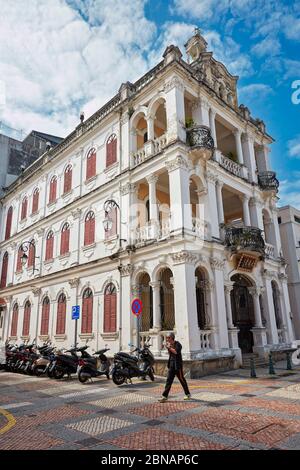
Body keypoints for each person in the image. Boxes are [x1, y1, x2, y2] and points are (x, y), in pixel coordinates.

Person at [159, 332, 191, 402]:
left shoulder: (178, 344)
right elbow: (170, 354)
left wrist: (169, 347)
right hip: (171, 365)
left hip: (178, 366)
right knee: (168, 381)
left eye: (168, 338)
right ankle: (164, 396)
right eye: (167, 338)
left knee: (182, 380)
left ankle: (187, 394)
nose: (167, 339)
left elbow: (176, 352)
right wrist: (168, 348)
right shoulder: (169, 345)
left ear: (172, 338)